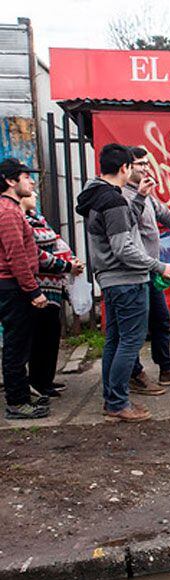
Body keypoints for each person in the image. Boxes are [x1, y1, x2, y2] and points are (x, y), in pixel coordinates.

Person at [76, 144, 170, 422]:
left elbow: (123, 226)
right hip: (126, 280)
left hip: (111, 280)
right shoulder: (112, 200)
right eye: (134, 166)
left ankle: (112, 398)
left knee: (115, 340)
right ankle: (117, 402)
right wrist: (160, 266)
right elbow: (123, 247)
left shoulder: (99, 196)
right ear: (124, 168)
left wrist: (139, 199)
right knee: (129, 342)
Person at [123, 147, 170, 396]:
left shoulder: (146, 195)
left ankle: (166, 368)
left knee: (161, 320)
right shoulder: (123, 196)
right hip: (135, 270)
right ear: (126, 166)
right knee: (135, 326)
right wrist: (141, 197)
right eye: (139, 164)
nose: (145, 168)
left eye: (146, 163)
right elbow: (124, 231)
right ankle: (134, 375)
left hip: (152, 271)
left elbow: (166, 215)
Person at [0, 158, 50, 419]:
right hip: (12, 288)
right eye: (25, 176)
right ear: (11, 181)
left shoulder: (12, 209)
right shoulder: (8, 213)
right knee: (16, 346)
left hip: (13, 286)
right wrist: (33, 291)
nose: (31, 181)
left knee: (19, 344)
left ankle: (20, 392)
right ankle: (17, 402)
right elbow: (16, 257)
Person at [21, 192, 84, 398]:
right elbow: (35, 253)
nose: (36, 194)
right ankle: (37, 382)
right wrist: (65, 265)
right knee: (40, 335)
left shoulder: (39, 218)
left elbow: (58, 243)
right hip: (38, 285)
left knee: (51, 333)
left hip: (53, 286)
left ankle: (46, 379)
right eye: (31, 192)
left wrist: (72, 261)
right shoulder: (21, 220)